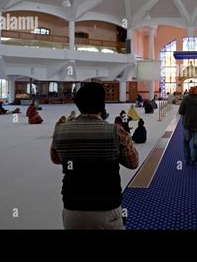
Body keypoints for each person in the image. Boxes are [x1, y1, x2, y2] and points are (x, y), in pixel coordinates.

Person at [51, 82, 138, 229]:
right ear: (102, 105)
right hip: (107, 208)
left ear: (78, 104)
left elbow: (56, 159)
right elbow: (133, 163)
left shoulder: (60, 131)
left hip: (72, 209)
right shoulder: (117, 132)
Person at [178, 86, 197, 165]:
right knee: (196, 144)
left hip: (187, 124)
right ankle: (194, 161)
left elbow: (180, 112)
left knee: (186, 142)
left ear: (189, 91)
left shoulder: (185, 99)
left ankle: (187, 159)